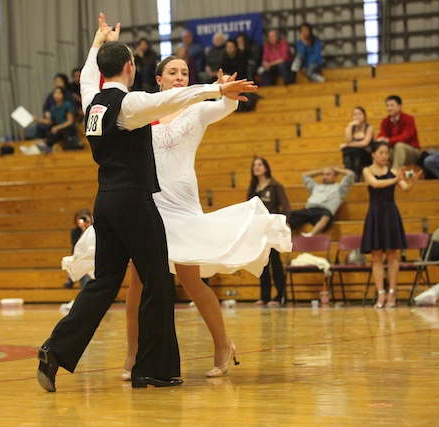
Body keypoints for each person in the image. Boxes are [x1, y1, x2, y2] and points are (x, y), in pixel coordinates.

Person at [36, 13, 258, 392]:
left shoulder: (93, 101)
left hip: (104, 203)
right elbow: (173, 97)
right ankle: (152, 369)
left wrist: (96, 43)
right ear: (130, 67)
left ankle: (54, 351)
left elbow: (87, 77)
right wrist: (215, 89)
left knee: (104, 283)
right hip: (136, 203)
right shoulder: (131, 103)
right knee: (157, 281)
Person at [63, 59, 290, 380]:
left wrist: (225, 92)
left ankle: (224, 345)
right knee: (138, 284)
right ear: (159, 79)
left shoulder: (196, 109)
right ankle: (133, 354)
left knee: (191, 279)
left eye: (185, 72)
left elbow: (225, 106)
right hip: (146, 204)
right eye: (173, 72)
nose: (180, 77)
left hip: (182, 205)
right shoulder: (142, 108)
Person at [360, 142, 422, 308]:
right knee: (377, 256)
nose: (384, 156)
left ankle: (392, 293)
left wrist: (412, 182)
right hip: (375, 213)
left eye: (387, 153)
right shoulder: (367, 171)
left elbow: (405, 188)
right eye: (381, 152)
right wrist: (394, 179)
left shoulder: (393, 172)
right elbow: (375, 184)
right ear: (373, 154)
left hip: (390, 214)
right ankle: (381, 294)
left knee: (392, 254)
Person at [247, 157, 290, 307]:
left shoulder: (275, 186)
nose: (256, 167)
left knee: (275, 262)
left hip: (272, 230)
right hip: (258, 231)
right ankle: (265, 296)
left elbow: (286, 208)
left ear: (266, 167)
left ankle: (280, 296)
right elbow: (249, 209)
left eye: (259, 164)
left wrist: (281, 224)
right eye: (254, 165)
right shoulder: (253, 188)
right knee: (261, 263)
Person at [288, 166, 355, 236]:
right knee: (288, 215)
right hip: (309, 209)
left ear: (335, 176)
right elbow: (305, 175)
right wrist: (320, 171)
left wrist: (337, 170)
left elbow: (351, 175)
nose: (324, 176)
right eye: (323, 174)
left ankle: (311, 234)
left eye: (328, 174)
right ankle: (286, 235)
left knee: (326, 215)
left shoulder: (340, 189)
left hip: (323, 211)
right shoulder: (316, 187)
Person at [376, 95, 420, 170]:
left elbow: (405, 137)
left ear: (399, 106)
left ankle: (394, 172)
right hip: (394, 151)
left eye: (392, 105)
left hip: (411, 152)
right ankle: (377, 173)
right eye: (387, 106)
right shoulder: (385, 121)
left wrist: (388, 140)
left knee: (399, 146)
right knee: (379, 148)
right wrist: (380, 140)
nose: (389, 108)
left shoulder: (408, 119)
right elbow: (381, 135)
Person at [340, 106, 374, 181]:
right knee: (346, 150)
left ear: (364, 116)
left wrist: (349, 145)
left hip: (366, 155)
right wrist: (349, 126)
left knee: (355, 150)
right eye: (355, 114)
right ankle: (348, 173)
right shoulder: (350, 128)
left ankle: (356, 176)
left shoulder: (369, 128)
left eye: (359, 114)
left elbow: (365, 143)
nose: (357, 117)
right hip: (353, 156)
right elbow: (348, 141)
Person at [62, 208, 93, 290]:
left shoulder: (94, 230)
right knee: (83, 269)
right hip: (80, 257)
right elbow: (77, 246)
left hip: (92, 257)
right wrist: (84, 231)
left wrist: (89, 227)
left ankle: (71, 279)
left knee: (84, 268)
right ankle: (77, 283)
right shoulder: (75, 232)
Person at [43, 87, 77, 152]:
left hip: (68, 129)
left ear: (63, 95)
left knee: (65, 134)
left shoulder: (67, 105)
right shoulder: (53, 108)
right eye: (55, 93)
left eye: (59, 93)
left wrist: (57, 127)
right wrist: (36, 119)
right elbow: (50, 121)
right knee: (50, 136)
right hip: (58, 129)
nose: (57, 95)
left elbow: (70, 122)